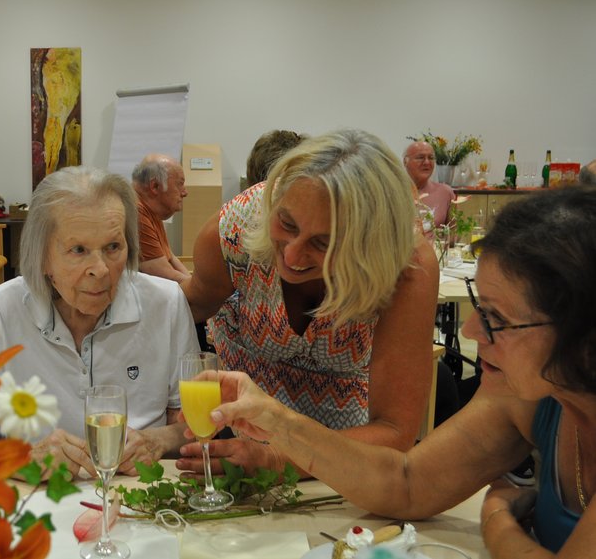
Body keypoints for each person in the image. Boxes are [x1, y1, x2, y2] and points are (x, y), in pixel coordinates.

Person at [207, 186, 596, 557]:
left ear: (583, 336)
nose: (471, 331)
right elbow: (408, 483)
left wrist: (497, 520)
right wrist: (277, 423)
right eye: (480, 306)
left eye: (497, 317)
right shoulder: (526, 398)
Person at [179, 128, 439, 476]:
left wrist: (278, 459)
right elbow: (189, 308)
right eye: (286, 223)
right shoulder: (234, 230)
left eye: (324, 243)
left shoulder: (407, 265)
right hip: (235, 437)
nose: (292, 254)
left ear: (370, 247)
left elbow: (394, 430)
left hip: (347, 454)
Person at [0, 165, 199, 477]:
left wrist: (158, 440)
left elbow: (197, 420)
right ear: (42, 257)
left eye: (113, 247)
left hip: (138, 498)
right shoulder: (2, 310)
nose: (101, 269)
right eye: (78, 250)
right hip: (37, 499)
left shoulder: (166, 303)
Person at [131, 154, 191, 283]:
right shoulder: (135, 211)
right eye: (179, 184)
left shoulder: (151, 210)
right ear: (155, 186)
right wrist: (199, 291)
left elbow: (170, 258)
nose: (185, 192)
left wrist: (193, 284)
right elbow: (162, 274)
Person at [403, 140, 456, 239]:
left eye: (431, 158)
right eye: (420, 157)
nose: (427, 162)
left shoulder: (445, 192)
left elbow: (454, 232)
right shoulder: (392, 192)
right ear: (405, 162)